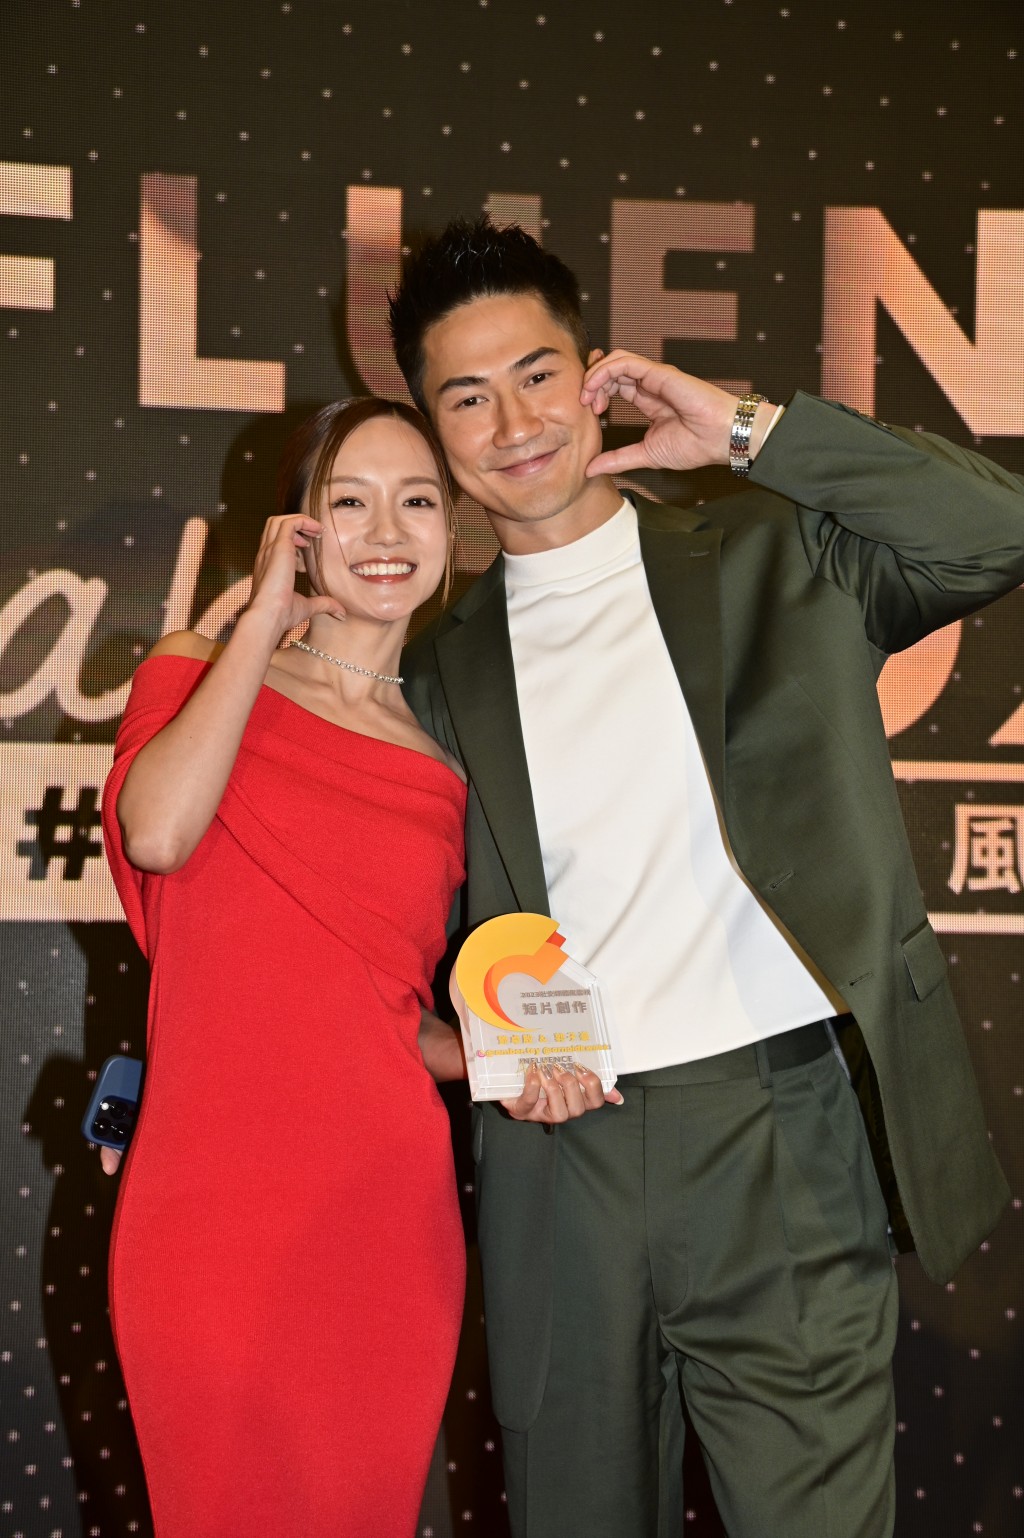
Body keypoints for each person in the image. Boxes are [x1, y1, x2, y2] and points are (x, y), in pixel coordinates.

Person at [388, 216, 1024, 1538]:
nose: (514, 422)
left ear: (595, 375)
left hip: (781, 1130)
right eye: (468, 395)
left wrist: (746, 432)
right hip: (559, 1155)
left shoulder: (772, 552)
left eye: (537, 374)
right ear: (434, 429)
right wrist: (483, 1051)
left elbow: (992, 531)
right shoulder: (437, 668)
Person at [100, 397, 468, 1538]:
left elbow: (393, 1020)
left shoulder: (448, 766)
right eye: (349, 501)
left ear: (453, 530)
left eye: (417, 500)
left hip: (384, 1213)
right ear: (295, 527)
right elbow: (159, 832)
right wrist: (261, 622)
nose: (387, 531)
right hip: (209, 1206)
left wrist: (517, 1053)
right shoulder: (193, 672)